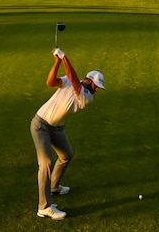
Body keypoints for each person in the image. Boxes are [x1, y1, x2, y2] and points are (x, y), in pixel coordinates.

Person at [30, 48, 105, 220]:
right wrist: (57, 62)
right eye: (96, 85)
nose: (97, 90)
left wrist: (64, 58)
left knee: (67, 155)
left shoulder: (87, 96)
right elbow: (51, 82)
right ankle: (44, 207)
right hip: (40, 124)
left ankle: (54, 186)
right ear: (87, 80)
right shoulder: (73, 82)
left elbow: (73, 79)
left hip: (57, 128)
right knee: (46, 162)